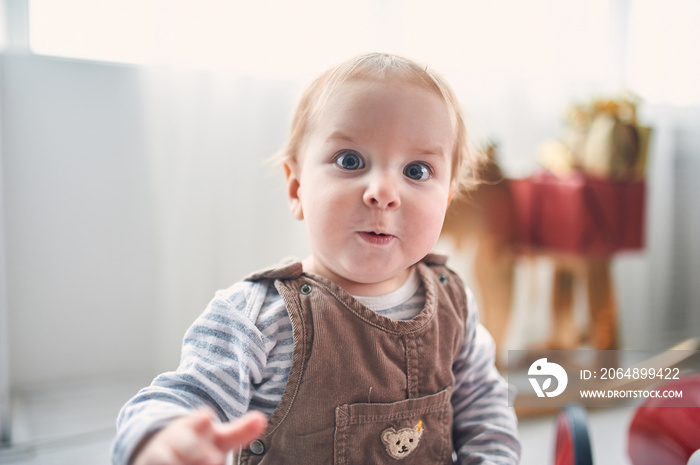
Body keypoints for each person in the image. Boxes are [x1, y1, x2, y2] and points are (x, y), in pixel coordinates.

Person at [113, 52, 521, 465]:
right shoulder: (258, 317)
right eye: (350, 161)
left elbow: (485, 409)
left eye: (416, 171)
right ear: (296, 188)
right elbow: (185, 395)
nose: (382, 191)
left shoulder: (456, 305)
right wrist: (165, 438)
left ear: (447, 199)